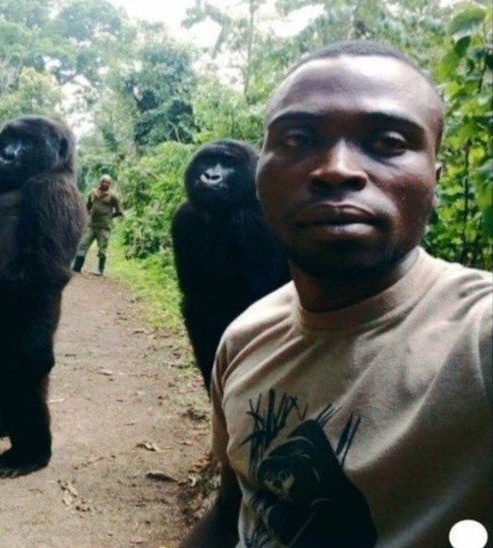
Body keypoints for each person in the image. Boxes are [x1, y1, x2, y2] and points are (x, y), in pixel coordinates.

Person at [180, 40, 492, 547]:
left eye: (388, 141)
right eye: (299, 140)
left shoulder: (477, 336)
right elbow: (234, 509)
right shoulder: (244, 338)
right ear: (262, 180)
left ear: (434, 182)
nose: (335, 168)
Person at [72, 174, 124, 276]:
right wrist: (86, 218)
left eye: (108, 182)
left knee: (102, 248)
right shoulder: (93, 193)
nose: (105, 184)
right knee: (83, 245)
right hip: (91, 225)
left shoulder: (113, 196)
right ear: (100, 182)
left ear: (110, 184)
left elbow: (119, 211)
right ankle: (76, 267)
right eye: (103, 182)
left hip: (104, 226)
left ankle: (100, 270)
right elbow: (87, 207)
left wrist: (109, 217)